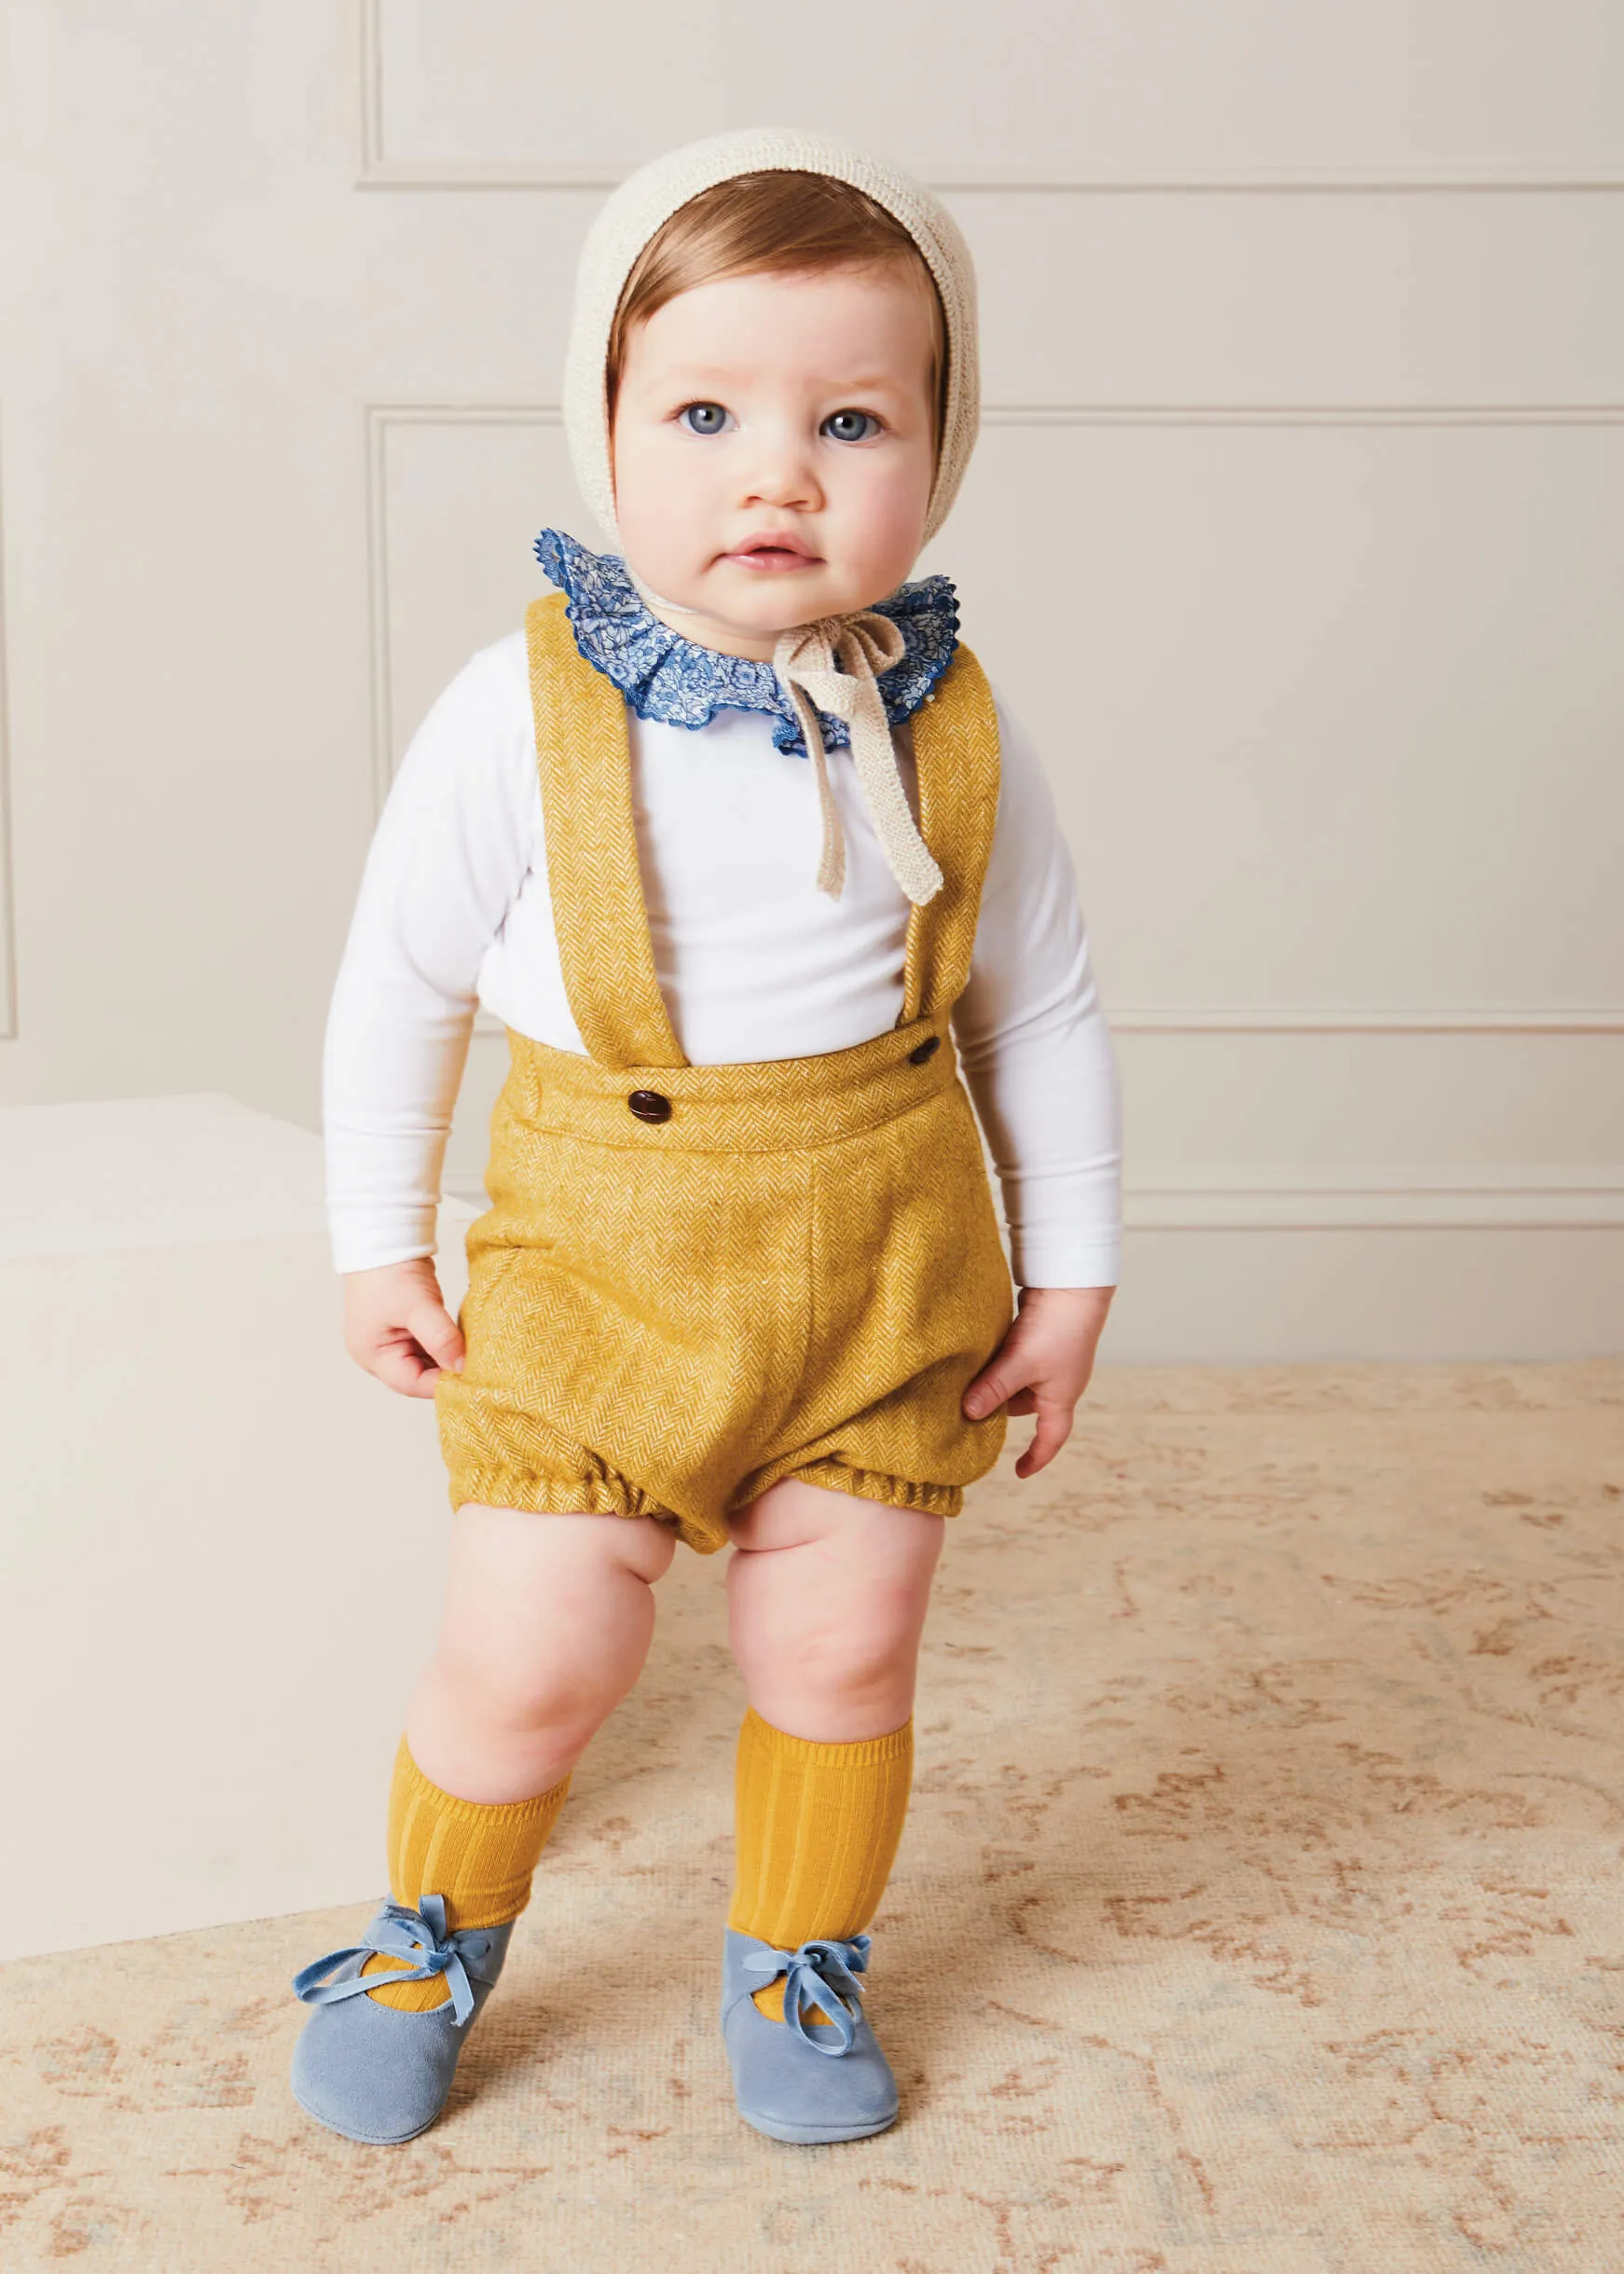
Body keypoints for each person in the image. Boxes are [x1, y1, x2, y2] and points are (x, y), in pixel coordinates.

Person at [289, 124, 1122, 2149]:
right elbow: (397, 980)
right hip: (600, 1257)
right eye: (705, 410)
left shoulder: (950, 718)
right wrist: (376, 1235)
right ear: (604, 430)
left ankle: (799, 1959)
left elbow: (1044, 1000)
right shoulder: (521, 708)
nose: (778, 471)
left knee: (841, 1641)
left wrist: (1074, 1265)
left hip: (886, 1249)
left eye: (852, 417)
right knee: (533, 1648)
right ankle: (428, 1928)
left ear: (938, 448)